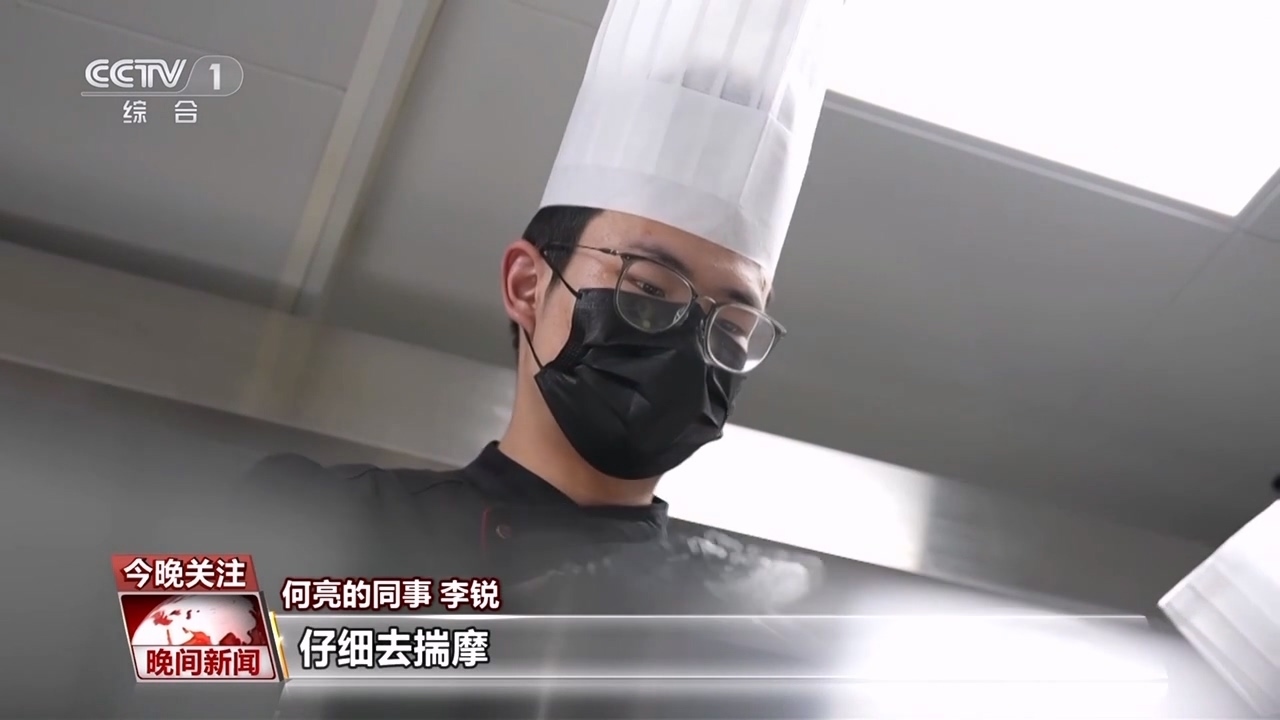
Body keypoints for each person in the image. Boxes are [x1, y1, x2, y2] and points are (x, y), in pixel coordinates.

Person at [239, 0, 841, 617]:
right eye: (649, 288)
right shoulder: (307, 513)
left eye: (732, 326)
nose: (687, 343)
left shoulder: (723, 627)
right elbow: (185, 655)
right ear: (527, 285)